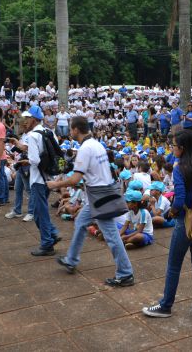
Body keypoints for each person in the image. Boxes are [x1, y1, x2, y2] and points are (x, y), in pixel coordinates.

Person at [142, 129, 192, 324]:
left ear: (182, 148)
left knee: (174, 266)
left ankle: (166, 306)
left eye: (174, 146)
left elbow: (179, 200)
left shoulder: (180, 168)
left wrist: (172, 213)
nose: (172, 148)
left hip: (185, 222)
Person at [50, 116, 135, 287]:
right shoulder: (97, 144)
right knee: (81, 222)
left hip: (99, 197)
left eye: (70, 128)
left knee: (111, 235)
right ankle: (71, 260)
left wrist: (56, 184)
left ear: (76, 129)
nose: (70, 132)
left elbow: (75, 179)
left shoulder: (85, 148)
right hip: (100, 194)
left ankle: (125, 273)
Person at [23, 105, 61, 256]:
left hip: (38, 179)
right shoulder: (48, 132)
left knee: (41, 212)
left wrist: (26, 161)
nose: (25, 121)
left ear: (33, 119)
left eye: (27, 118)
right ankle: (52, 234)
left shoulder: (32, 136)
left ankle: (47, 243)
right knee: (39, 211)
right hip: (48, 177)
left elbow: (34, 160)